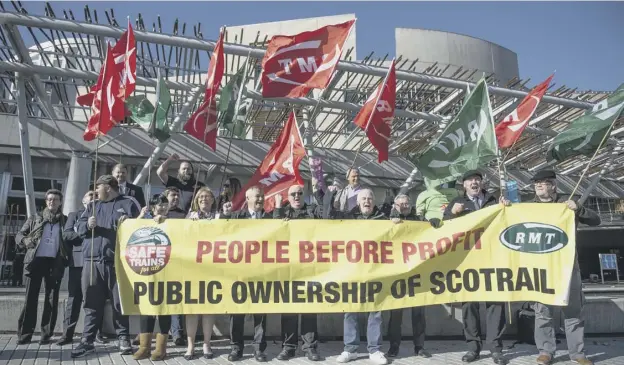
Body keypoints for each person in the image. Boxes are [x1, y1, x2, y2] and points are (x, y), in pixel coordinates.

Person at [530, 170, 600, 365]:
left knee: (573, 311)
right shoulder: (528, 207)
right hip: (540, 267)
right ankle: (546, 351)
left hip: (567, 266)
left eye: (543, 182)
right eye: (536, 183)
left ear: (553, 185)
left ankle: (577, 354)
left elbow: (596, 220)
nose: (538, 186)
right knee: (542, 311)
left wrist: (578, 208)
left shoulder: (568, 203)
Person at [443, 170, 510, 365]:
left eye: (478, 180)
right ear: (463, 185)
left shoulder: (493, 200)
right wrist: (450, 214)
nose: (474, 182)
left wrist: (506, 207)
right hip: (469, 261)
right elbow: (445, 230)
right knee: (469, 306)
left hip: (492, 259)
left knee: (495, 304)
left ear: (481, 183)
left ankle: (496, 348)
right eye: (470, 180)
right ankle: (473, 347)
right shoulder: (457, 203)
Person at [71, 175, 140, 358]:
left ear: (108, 187)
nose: (96, 191)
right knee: (91, 304)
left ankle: (123, 338)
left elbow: (142, 228)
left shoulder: (128, 203)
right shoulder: (93, 206)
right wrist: (87, 224)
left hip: (118, 264)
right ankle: (87, 341)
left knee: (119, 303)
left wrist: (130, 223)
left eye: (98, 187)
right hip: (92, 263)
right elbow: (77, 228)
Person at [335, 189, 388, 365]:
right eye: (363, 199)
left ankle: (375, 349)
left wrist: (397, 223)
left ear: (374, 202)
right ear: (358, 202)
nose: (367, 201)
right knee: (351, 311)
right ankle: (350, 349)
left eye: (370, 198)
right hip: (353, 272)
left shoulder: (383, 219)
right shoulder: (348, 219)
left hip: (375, 272)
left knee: (375, 312)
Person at [273, 185, 322, 361]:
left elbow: (328, 218)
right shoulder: (282, 212)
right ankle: (288, 347)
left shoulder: (313, 211)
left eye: (300, 193)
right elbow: (272, 231)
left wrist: (325, 191)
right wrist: (278, 208)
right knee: (289, 310)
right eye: (293, 194)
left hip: (309, 269)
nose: (296, 196)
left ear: (304, 195)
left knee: (309, 308)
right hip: (288, 269)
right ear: (288, 196)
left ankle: (310, 346)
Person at [15, 189, 70, 345]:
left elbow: (69, 240)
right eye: (50, 199)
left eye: (56, 199)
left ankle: (46, 334)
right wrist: (25, 241)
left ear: (60, 202)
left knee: (51, 300)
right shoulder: (35, 219)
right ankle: (25, 334)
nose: (52, 202)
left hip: (55, 263)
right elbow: (19, 235)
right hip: (35, 261)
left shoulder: (64, 221)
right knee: (30, 298)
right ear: (46, 201)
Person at [222, 186, 270, 362]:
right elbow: (221, 231)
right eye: (257, 197)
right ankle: (236, 348)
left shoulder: (270, 218)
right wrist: (226, 215)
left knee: (260, 314)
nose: (260, 200)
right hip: (239, 273)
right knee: (237, 313)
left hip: (262, 273)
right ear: (247, 199)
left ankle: (259, 349)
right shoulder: (236, 216)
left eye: (262, 197)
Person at [386, 194, 437, 358]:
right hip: (397, 272)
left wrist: (436, 223)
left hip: (417, 271)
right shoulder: (388, 218)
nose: (404, 206)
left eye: (407, 203)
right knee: (395, 314)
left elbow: (433, 230)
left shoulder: (420, 220)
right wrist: (391, 219)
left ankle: (419, 346)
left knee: (418, 313)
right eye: (401, 204)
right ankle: (394, 346)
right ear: (395, 205)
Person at [56, 191, 105, 346]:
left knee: (96, 299)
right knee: (74, 299)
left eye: (97, 195)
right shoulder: (74, 215)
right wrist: (84, 230)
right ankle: (67, 334)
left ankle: (96, 333)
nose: (94, 197)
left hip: (96, 262)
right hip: (78, 262)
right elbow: (67, 235)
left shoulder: (102, 214)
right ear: (83, 200)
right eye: (90, 195)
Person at [133, 195, 171, 361]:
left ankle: (161, 348)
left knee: (164, 310)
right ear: (152, 208)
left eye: (164, 205)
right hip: (148, 271)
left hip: (168, 272)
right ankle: (144, 347)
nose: (161, 207)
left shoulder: (175, 222)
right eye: (158, 205)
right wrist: (140, 218)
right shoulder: (145, 221)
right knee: (146, 309)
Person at [183, 187, 218, 360]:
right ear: (197, 201)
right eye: (201, 197)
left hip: (212, 268)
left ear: (212, 200)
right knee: (192, 308)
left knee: (208, 307)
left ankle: (206, 343)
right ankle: (190, 345)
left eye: (207, 196)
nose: (204, 199)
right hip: (192, 267)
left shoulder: (219, 218)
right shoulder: (190, 218)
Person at [161, 186, 187, 345]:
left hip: (177, 261)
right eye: (173, 195)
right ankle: (153, 332)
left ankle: (177, 333)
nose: (176, 198)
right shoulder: (156, 215)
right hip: (160, 261)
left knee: (175, 297)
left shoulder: (184, 215)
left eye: (178, 195)